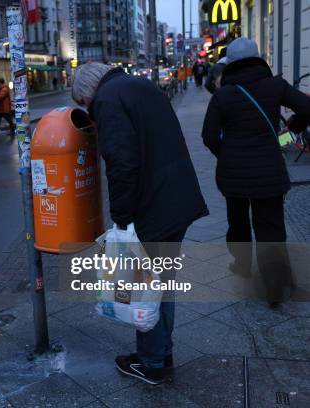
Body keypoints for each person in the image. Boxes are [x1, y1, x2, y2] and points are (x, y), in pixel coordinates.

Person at [72, 62, 208, 385]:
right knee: (162, 283)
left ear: (89, 91)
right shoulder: (138, 86)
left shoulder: (106, 100)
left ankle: (151, 363)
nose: (87, 110)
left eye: (83, 103)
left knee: (143, 284)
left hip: (154, 207)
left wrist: (121, 221)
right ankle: (162, 351)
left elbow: (122, 165)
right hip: (177, 199)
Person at [202, 37, 310, 305]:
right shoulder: (275, 85)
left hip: (233, 174)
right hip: (269, 172)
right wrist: (293, 127)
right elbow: (308, 107)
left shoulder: (223, 95)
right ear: (258, 58)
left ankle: (241, 265)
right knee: (270, 227)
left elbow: (209, 136)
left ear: (231, 64)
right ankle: (274, 288)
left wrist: (225, 154)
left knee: (237, 222)